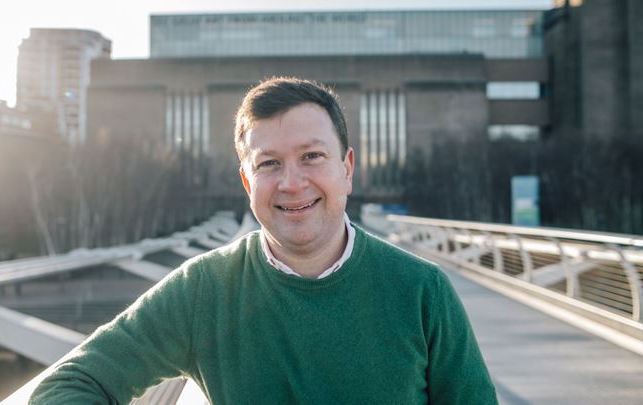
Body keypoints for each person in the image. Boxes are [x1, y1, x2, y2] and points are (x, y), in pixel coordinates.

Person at [29, 77, 497, 404]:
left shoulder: (422, 292)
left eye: (312, 156)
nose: (292, 183)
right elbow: (70, 383)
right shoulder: (204, 290)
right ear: (247, 183)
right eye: (269, 163)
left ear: (347, 169)